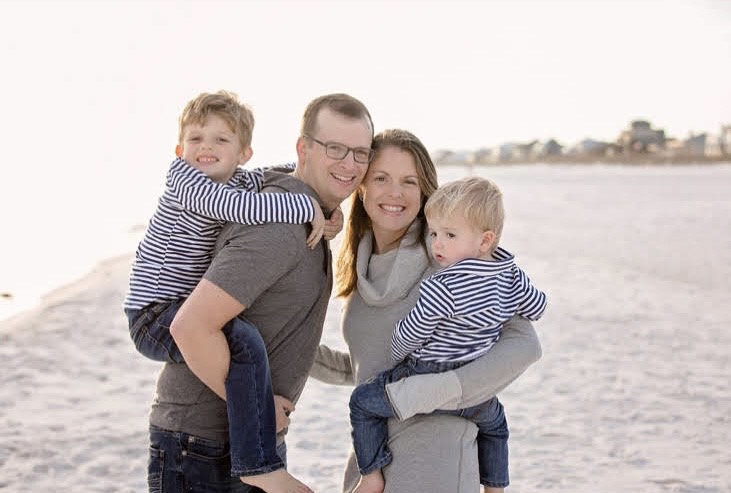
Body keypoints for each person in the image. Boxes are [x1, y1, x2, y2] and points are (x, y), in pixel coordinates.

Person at [147, 93, 375, 493]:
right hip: (206, 447)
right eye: (335, 148)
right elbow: (191, 327)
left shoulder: (304, 210)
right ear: (303, 148)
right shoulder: (280, 224)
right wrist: (260, 413)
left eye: (360, 153)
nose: (349, 164)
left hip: (245, 441)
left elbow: (278, 334)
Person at [310, 129, 543, 493]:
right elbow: (371, 365)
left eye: (409, 181)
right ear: (362, 186)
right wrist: (288, 353)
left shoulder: (453, 258)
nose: (395, 193)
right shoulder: (362, 266)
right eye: (381, 178)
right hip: (375, 461)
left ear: (424, 191)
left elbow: (525, 345)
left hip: (437, 462)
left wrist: (436, 389)